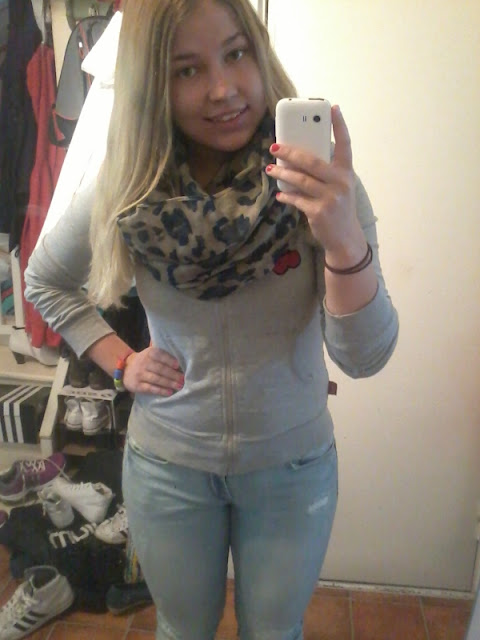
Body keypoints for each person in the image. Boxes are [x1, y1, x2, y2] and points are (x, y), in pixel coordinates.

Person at [24, 0, 399, 638]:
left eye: (236, 53)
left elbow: (366, 356)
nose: (223, 89)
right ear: (152, 83)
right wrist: (121, 362)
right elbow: (45, 280)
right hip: (168, 466)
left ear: (259, 52)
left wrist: (341, 241)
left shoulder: (317, 182)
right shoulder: (131, 183)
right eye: (187, 69)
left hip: (291, 467)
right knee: (181, 631)